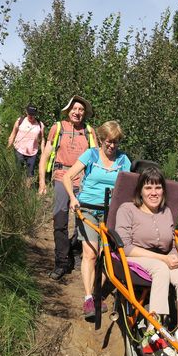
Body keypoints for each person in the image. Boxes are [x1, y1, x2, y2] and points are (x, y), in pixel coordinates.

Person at [114, 167, 178, 356]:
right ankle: (153, 331)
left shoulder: (166, 212)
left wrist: (177, 259)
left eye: (158, 188)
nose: (153, 192)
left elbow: (170, 244)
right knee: (160, 269)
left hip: (162, 259)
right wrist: (164, 260)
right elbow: (125, 246)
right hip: (133, 256)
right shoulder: (128, 209)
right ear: (140, 191)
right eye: (148, 187)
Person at [62, 121, 131, 318]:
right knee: (91, 253)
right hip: (88, 209)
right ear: (101, 139)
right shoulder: (91, 155)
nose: (112, 146)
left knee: (104, 254)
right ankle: (88, 298)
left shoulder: (123, 160)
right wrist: (73, 198)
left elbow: (128, 186)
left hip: (111, 212)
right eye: (109, 142)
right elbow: (68, 177)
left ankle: (97, 291)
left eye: (116, 142)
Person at [38, 95, 96, 280]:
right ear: (68, 110)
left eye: (81, 110)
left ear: (84, 113)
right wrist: (41, 182)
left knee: (83, 220)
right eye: (74, 108)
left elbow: (96, 156)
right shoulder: (58, 128)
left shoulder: (89, 131)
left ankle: (78, 254)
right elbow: (45, 156)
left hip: (83, 179)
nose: (77, 112)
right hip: (62, 176)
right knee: (60, 219)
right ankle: (61, 262)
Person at [7, 104, 45, 184]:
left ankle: (27, 191)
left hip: (32, 152)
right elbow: (12, 134)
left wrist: (43, 153)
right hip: (19, 149)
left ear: (36, 114)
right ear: (26, 112)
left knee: (30, 173)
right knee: (18, 171)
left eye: (33, 114)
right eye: (29, 114)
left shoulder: (40, 125)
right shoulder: (20, 121)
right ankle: (17, 187)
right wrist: (8, 147)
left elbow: (42, 139)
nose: (31, 116)